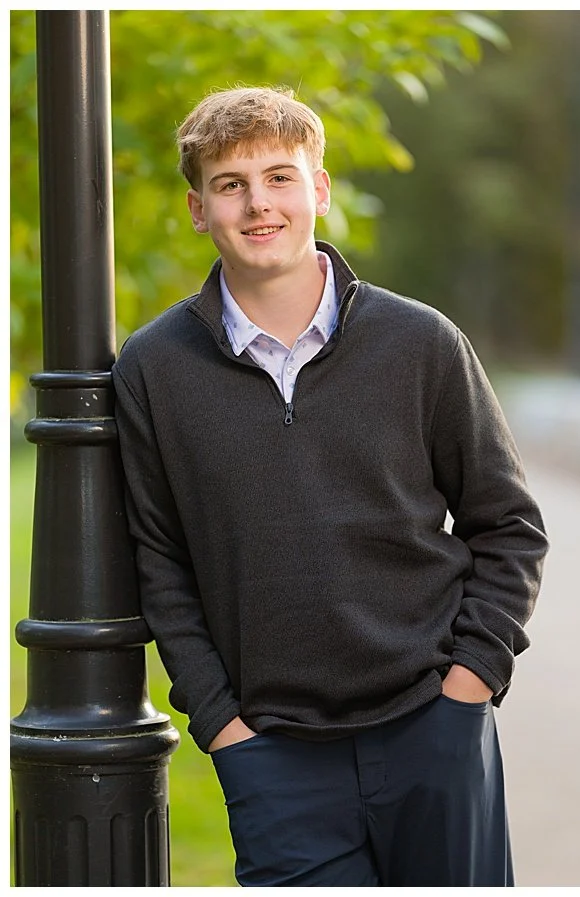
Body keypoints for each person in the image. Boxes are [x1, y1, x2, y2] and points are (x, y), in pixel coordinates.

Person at [112, 86, 549, 887]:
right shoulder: (152, 368)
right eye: (230, 184)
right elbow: (159, 561)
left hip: (434, 725)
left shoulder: (421, 342)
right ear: (197, 208)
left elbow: (509, 523)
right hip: (271, 753)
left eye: (279, 177)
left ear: (318, 189)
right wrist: (222, 727)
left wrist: (469, 684)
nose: (258, 204)